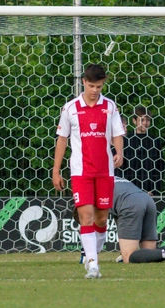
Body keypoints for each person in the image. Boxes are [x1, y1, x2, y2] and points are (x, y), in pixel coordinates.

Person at [52, 64, 125, 279]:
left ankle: (93, 254)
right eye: (92, 85)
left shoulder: (110, 106)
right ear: (83, 81)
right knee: (86, 215)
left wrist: (118, 151)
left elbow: (117, 133)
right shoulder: (70, 108)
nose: (95, 90)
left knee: (101, 218)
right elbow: (62, 139)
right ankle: (92, 264)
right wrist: (56, 170)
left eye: (99, 86)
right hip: (80, 171)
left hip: (105, 171)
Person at [77, 177, 165, 264]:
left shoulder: (91, 189)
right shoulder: (112, 177)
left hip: (130, 204)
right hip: (147, 200)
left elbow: (97, 223)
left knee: (129, 257)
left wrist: (85, 253)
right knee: (150, 254)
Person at [118, 106, 165, 195]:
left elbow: (160, 166)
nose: (145, 123)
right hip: (130, 190)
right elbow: (122, 166)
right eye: (142, 120)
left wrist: (155, 189)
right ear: (134, 121)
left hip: (150, 190)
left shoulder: (155, 141)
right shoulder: (126, 140)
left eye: (148, 120)